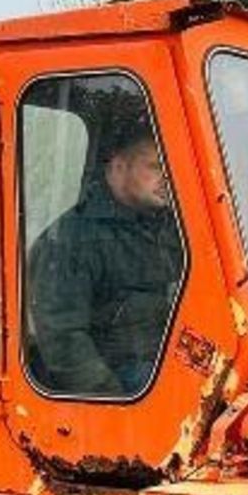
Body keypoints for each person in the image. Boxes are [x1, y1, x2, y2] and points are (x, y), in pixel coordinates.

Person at [26, 117, 184, 397]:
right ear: (119, 166)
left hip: (165, 365)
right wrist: (114, 398)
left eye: (171, 166)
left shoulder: (169, 229)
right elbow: (62, 339)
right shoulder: (71, 240)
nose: (168, 176)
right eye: (156, 166)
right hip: (120, 382)